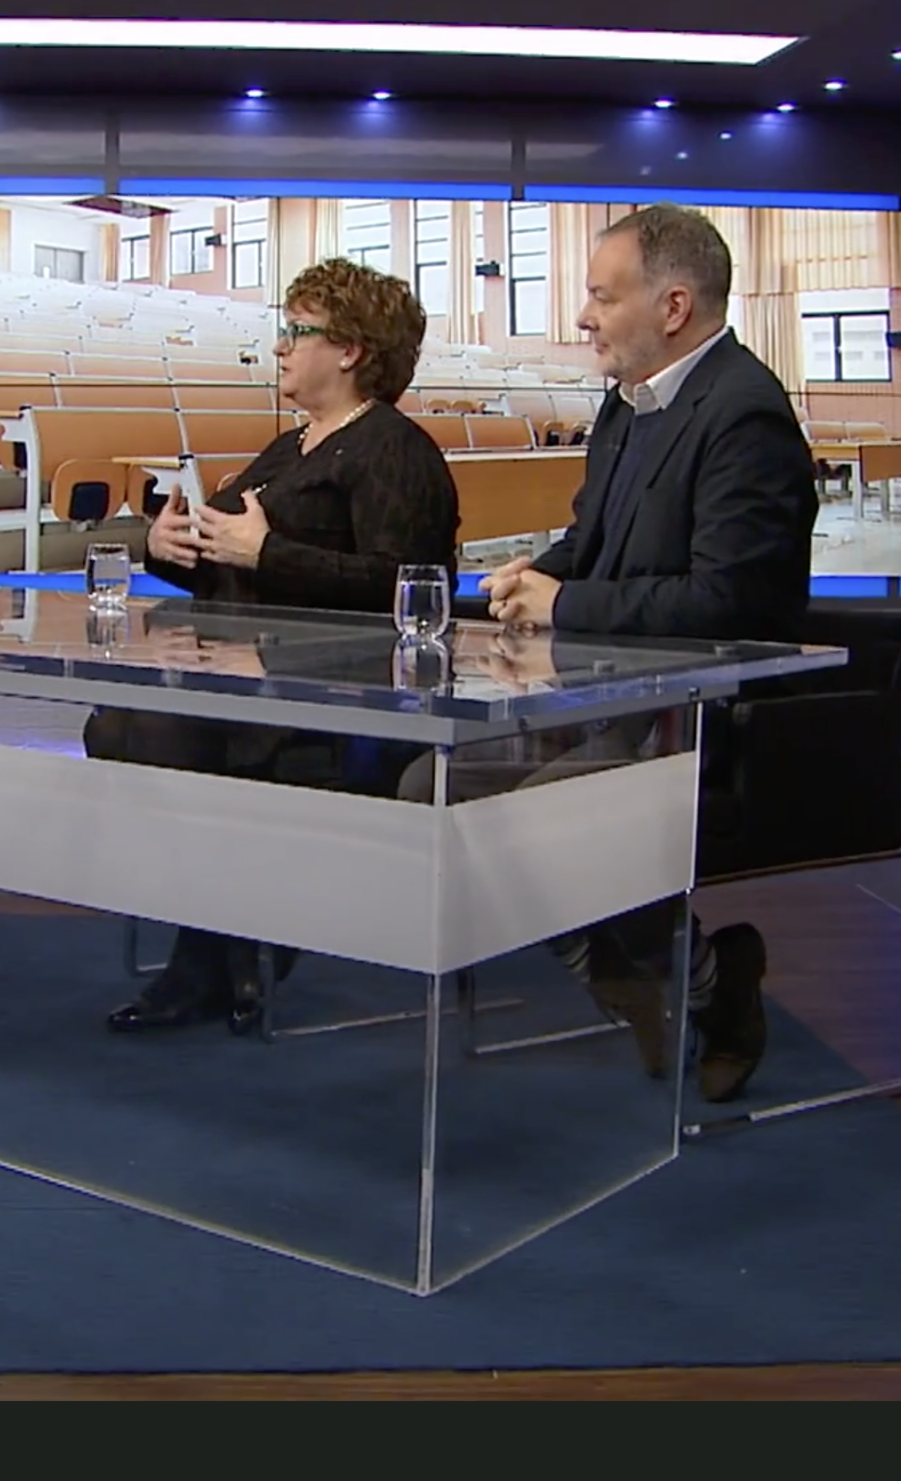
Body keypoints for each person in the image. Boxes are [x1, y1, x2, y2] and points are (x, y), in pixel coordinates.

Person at [401, 203, 817, 1101]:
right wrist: (535, 577)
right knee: (430, 788)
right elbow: (590, 540)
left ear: (673, 307)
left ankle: (708, 986)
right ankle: (631, 976)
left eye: (601, 296)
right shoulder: (629, 405)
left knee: (546, 820)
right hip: (612, 697)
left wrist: (568, 603)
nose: (583, 317)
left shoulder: (744, 413)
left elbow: (730, 601)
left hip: (706, 715)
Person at [88, 257, 461, 1035]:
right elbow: (226, 552)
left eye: (298, 330)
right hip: (244, 670)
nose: (280, 346)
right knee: (113, 725)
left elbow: (407, 586)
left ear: (351, 349)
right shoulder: (290, 447)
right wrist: (169, 546)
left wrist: (267, 553)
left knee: (152, 729)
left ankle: (214, 947)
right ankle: (236, 933)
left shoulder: (394, 449)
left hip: (329, 688)